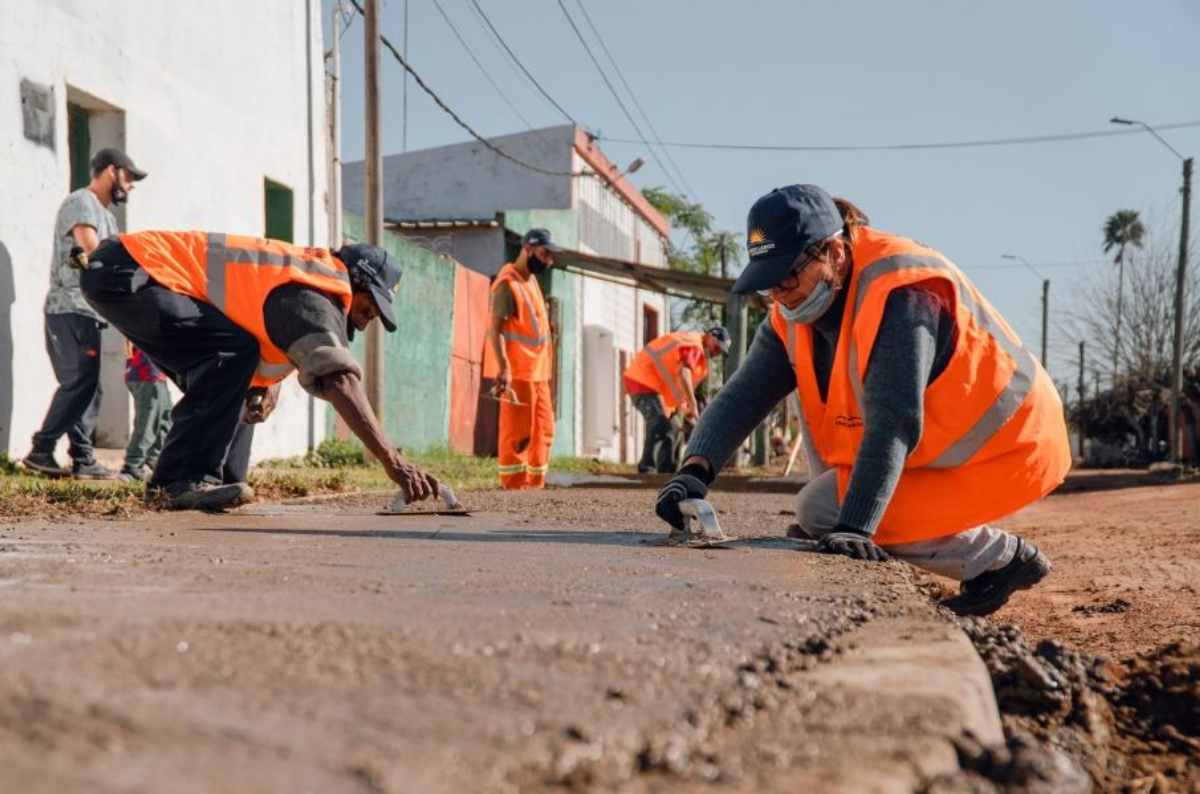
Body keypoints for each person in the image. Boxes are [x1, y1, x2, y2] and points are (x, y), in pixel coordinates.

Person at [655, 184, 1071, 617]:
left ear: (833, 253)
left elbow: (895, 421)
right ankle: (844, 519)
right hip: (940, 447)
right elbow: (742, 396)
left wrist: (853, 527)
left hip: (1011, 446)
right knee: (824, 502)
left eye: (789, 277)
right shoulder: (793, 313)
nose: (779, 294)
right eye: (768, 284)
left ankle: (1000, 560)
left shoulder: (901, 294)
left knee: (818, 510)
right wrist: (693, 473)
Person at [78, 231, 441, 511]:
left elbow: (260, 327)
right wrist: (394, 462)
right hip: (128, 270)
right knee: (230, 352)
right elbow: (338, 378)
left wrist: (266, 385)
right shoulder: (316, 290)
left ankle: (221, 480)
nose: (370, 318)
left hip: (130, 272)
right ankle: (178, 481)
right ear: (357, 282)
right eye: (371, 304)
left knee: (236, 360)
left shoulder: (306, 283)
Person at [23, 148, 146, 479]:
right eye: (129, 176)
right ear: (111, 171)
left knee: (88, 385)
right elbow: (93, 252)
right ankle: (41, 449)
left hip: (88, 311)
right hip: (68, 308)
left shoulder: (105, 214)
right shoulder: (82, 203)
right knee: (80, 382)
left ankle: (82, 459)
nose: (131, 185)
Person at [483, 228, 558, 490]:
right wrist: (503, 368)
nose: (548, 260)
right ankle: (514, 485)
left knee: (544, 431)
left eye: (550, 255)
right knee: (519, 434)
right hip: (519, 373)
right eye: (544, 253)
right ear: (527, 249)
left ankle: (534, 485)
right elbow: (495, 329)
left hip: (538, 374)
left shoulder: (530, 281)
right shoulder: (508, 283)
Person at [623, 326, 730, 473]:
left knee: (674, 427)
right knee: (659, 423)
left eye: (720, 352)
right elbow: (684, 373)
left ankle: (667, 472)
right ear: (710, 336)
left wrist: (686, 412)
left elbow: (681, 388)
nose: (717, 353)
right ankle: (647, 470)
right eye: (717, 348)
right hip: (641, 380)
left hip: (657, 390)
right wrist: (693, 405)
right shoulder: (694, 345)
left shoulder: (700, 363)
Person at [119, 344, 172, 481]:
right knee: (148, 423)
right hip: (147, 375)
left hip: (154, 375)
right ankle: (132, 466)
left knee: (165, 420)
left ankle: (156, 459)